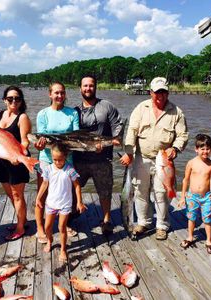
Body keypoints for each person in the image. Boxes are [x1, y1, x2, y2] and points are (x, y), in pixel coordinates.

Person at [120, 77, 188, 240]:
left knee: (161, 192)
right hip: (140, 158)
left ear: (168, 92)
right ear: (151, 92)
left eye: (163, 92)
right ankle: (144, 222)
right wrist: (129, 152)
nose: (160, 95)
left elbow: (183, 135)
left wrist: (176, 148)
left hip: (163, 160)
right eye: (157, 92)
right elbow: (132, 131)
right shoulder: (140, 108)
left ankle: (162, 225)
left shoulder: (177, 112)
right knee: (140, 192)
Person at [74, 75, 123, 234]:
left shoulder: (106, 106)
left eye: (91, 85)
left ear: (96, 87)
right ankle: (70, 215)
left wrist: (116, 139)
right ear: (80, 88)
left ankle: (107, 219)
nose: (88, 88)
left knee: (105, 190)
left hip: (102, 158)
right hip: (79, 159)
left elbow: (118, 124)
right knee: (72, 189)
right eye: (85, 86)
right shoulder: (75, 111)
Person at [34, 82, 79, 243]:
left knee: (66, 193)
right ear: (50, 94)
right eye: (56, 93)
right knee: (43, 191)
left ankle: (63, 224)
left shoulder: (72, 113)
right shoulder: (43, 114)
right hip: (47, 159)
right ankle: (40, 228)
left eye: (62, 93)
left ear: (65, 94)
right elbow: (41, 136)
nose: (59, 96)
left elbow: (75, 136)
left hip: (67, 159)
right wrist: (38, 143)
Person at [36, 143, 87, 262]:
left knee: (61, 227)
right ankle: (50, 241)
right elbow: (44, 184)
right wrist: (38, 198)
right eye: (55, 160)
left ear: (66, 156)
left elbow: (77, 186)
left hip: (65, 204)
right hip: (51, 203)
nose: (58, 162)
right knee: (47, 227)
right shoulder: (48, 169)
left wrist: (79, 202)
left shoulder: (70, 169)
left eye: (60, 160)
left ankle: (63, 249)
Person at [0, 86, 31, 241]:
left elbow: (25, 141)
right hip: (1, 162)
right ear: (4, 100)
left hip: (17, 162)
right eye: (10, 98)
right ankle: (24, 220)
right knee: (10, 194)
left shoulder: (22, 118)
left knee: (17, 195)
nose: (13, 101)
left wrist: (20, 155)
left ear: (21, 101)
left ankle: (20, 228)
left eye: (17, 98)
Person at [178, 133, 211, 254]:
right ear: (196, 149)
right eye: (202, 149)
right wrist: (182, 196)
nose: (205, 151)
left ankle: (208, 241)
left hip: (206, 197)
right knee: (191, 217)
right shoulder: (191, 163)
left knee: (207, 219)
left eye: (208, 148)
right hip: (192, 196)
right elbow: (185, 180)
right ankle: (190, 236)